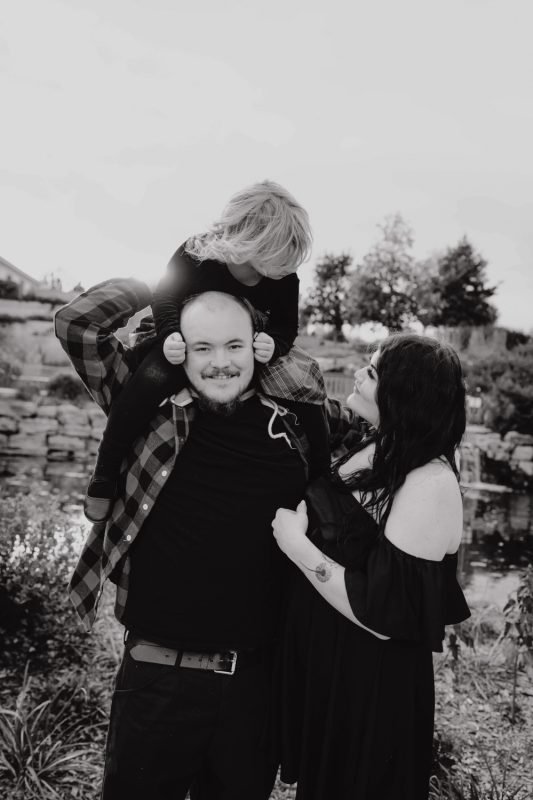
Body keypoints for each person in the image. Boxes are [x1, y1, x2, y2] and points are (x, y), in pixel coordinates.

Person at [54, 281, 354, 800]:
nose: (220, 363)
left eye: (234, 346)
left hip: (252, 689)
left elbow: (387, 428)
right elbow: (77, 323)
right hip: (155, 680)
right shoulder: (146, 403)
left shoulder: (297, 421)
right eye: (202, 347)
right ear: (179, 350)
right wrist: (168, 287)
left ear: (257, 345)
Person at [271, 333, 471, 800]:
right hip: (332, 670)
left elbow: (384, 617)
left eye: (373, 372)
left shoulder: (431, 483)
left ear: (405, 395)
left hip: (371, 690)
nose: (359, 375)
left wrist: (297, 547)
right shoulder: (380, 443)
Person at [84, 179, 329, 523]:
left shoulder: (284, 275)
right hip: (186, 334)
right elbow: (165, 296)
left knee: (304, 385)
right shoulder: (196, 251)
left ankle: (322, 477)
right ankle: (106, 470)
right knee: (149, 380)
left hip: (252, 343)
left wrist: (274, 344)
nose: (281, 268)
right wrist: (171, 336)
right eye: (275, 256)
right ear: (250, 239)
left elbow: (288, 325)